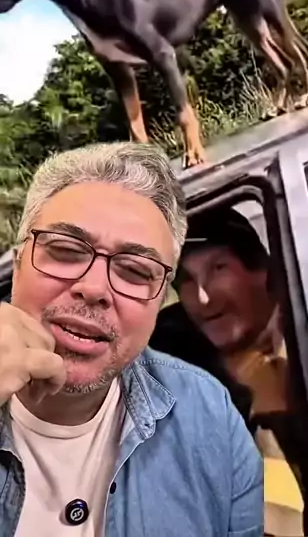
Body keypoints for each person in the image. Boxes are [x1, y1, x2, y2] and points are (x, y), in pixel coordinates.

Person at [0, 142, 263, 537]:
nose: (94, 288)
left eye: (135, 271)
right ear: (19, 264)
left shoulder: (211, 420)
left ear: (160, 301)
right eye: (66, 251)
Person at [169, 206, 308, 537]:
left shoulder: (307, 348)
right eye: (187, 281)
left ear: (261, 271)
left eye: (218, 269)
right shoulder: (177, 357)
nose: (203, 297)